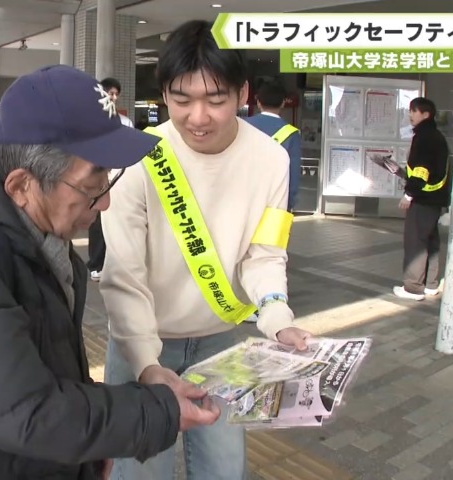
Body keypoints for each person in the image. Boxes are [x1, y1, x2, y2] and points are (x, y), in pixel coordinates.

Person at [0, 65, 220, 479]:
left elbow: (46, 374)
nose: (105, 202)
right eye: (92, 183)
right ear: (22, 186)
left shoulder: (34, 237)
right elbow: (27, 412)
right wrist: (160, 411)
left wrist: (89, 451)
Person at [99, 20, 314, 479]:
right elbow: (124, 274)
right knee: (140, 474)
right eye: (182, 100)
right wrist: (146, 364)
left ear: (243, 93)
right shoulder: (137, 158)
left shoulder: (271, 159)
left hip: (219, 345)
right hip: (142, 343)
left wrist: (278, 319)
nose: (198, 117)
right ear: (164, 95)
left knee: (225, 470)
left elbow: (264, 253)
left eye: (216, 100)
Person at [393, 97, 450, 301]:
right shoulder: (436, 136)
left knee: (416, 242)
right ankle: (430, 285)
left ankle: (413, 288)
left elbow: (421, 170)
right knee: (430, 241)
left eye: (414, 111)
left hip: (422, 199)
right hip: (434, 199)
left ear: (426, 114)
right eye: (410, 110)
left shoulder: (424, 137)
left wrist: (409, 194)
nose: (410, 114)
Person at [87, 77, 133, 282]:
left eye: (116, 94)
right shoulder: (92, 120)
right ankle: (96, 264)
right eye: (110, 93)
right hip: (98, 176)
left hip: (119, 176)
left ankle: (115, 263)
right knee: (98, 221)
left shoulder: (125, 122)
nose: (113, 97)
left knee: (118, 221)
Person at [245, 80, 302, 212]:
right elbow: (293, 174)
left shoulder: (241, 125)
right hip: (275, 203)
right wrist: (289, 204)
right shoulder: (291, 134)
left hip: (243, 199)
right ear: (283, 103)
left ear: (258, 102)